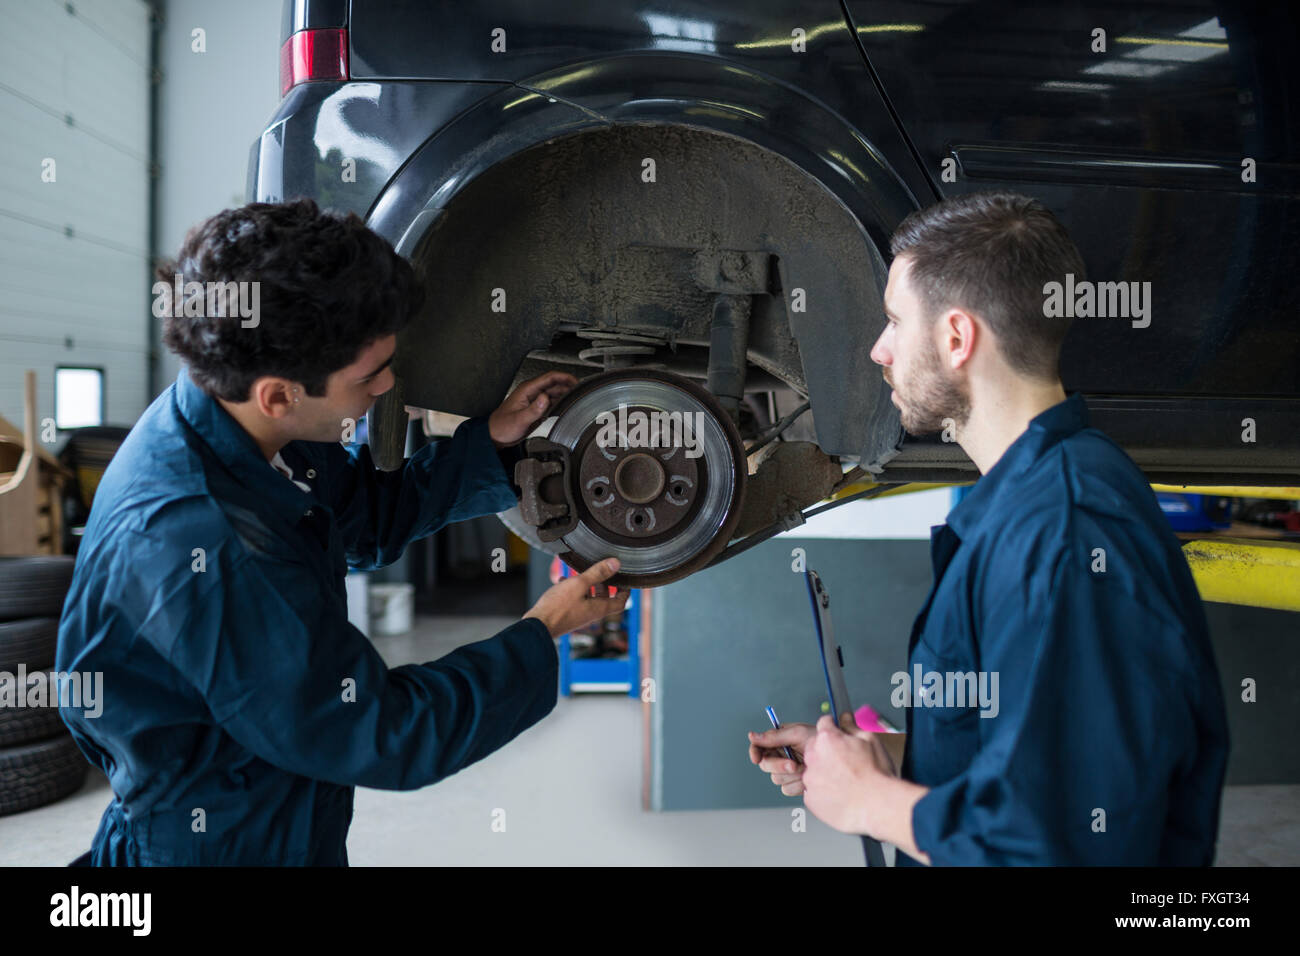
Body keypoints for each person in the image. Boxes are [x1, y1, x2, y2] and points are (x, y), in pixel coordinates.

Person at [57, 199, 627, 865]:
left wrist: (490, 443)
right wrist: (541, 631)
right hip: (223, 836)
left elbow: (360, 519)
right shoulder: (204, 544)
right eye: (369, 376)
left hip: (271, 784)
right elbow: (381, 731)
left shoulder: (243, 419)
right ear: (279, 393)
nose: (388, 387)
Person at [748, 191, 1229, 865]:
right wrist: (873, 763)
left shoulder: (1064, 534)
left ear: (955, 337)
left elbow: (1060, 842)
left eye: (893, 321)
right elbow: (1020, 753)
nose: (878, 350)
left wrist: (871, 803)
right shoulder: (1028, 504)